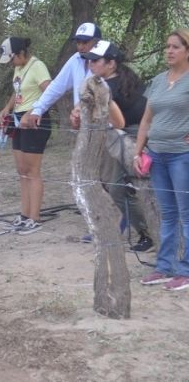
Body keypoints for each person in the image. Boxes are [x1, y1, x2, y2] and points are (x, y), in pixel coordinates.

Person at [81, 40, 153, 251]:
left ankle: (146, 233)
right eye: (90, 61)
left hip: (125, 137)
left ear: (111, 63)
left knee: (117, 188)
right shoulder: (127, 80)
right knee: (127, 186)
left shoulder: (106, 88)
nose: (91, 65)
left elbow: (118, 122)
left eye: (96, 61)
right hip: (139, 134)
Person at [135, 29, 189, 291]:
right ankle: (164, 267)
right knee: (168, 214)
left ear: (187, 51)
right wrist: (138, 151)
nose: (169, 51)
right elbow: (147, 119)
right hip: (156, 153)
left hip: (182, 155)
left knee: (187, 215)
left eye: (176, 47)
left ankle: (186, 270)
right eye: (167, 46)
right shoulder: (157, 81)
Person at [0, 37, 52, 234]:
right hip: (19, 119)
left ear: (20, 54)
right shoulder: (18, 68)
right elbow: (18, 91)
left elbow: (49, 91)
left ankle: (35, 217)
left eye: (11, 59)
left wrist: (34, 111)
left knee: (32, 170)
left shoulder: (38, 66)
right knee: (21, 170)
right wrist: (7, 108)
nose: (10, 63)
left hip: (36, 120)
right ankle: (25, 213)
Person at [22, 22, 101, 129]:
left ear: (97, 42)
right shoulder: (76, 59)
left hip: (106, 124)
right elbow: (57, 86)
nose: (81, 47)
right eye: (78, 42)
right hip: (83, 124)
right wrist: (38, 109)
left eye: (85, 42)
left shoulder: (107, 62)